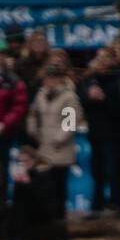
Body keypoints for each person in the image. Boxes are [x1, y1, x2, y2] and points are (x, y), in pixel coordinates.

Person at [78, 47, 120, 218]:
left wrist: (104, 99)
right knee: (97, 172)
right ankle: (97, 206)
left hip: (116, 134)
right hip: (96, 133)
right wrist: (89, 96)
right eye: (99, 58)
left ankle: (119, 205)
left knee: (116, 171)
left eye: (105, 58)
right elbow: (80, 103)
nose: (101, 62)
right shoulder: (89, 80)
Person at [26, 64, 83, 221]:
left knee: (59, 185)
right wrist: (32, 129)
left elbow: (70, 122)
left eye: (51, 78)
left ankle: (59, 218)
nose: (48, 82)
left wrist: (59, 138)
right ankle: (48, 217)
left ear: (59, 79)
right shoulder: (41, 95)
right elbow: (33, 113)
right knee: (46, 185)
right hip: (44, 147)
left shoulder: (69, 97)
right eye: (46, 79)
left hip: (60, 148)